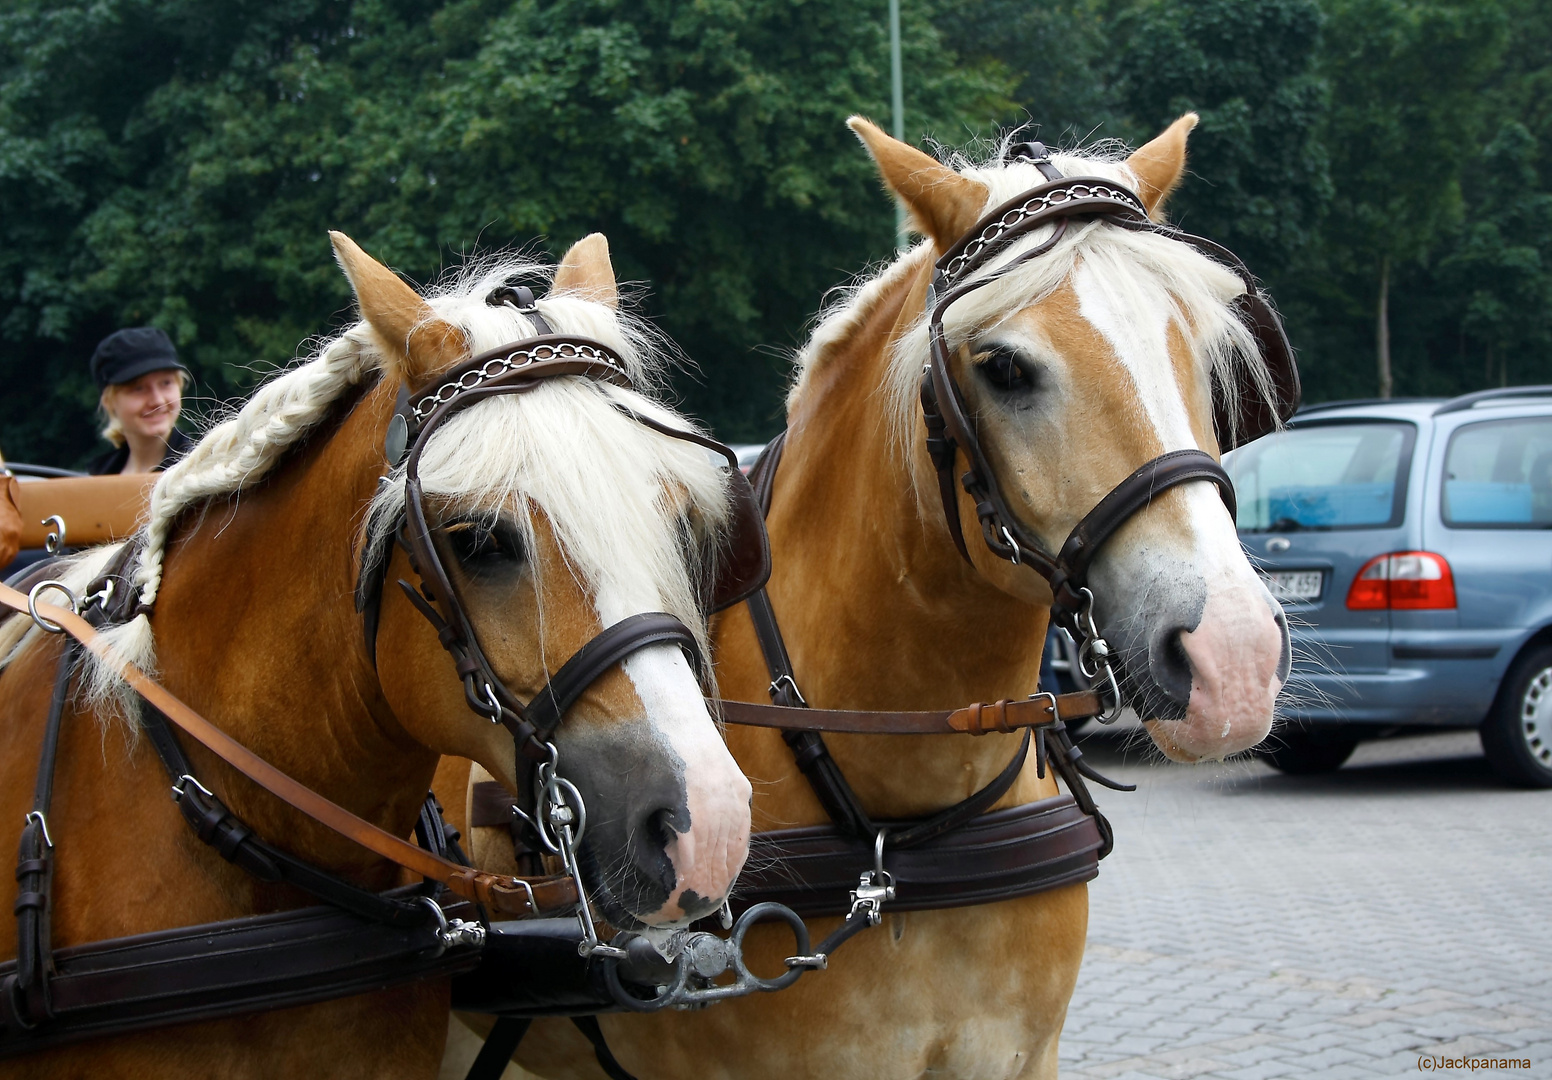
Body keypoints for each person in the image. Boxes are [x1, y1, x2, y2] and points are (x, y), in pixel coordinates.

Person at [87, 327, 194, 475]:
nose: (157, 400)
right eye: (138, 388)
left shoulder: (202, 473)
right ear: (109, 401)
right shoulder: (98, 478)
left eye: (166, 383)